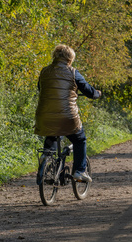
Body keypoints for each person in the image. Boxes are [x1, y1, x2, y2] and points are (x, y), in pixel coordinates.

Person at [34, 44, 101, 182]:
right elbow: (88, 91)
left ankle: (46, 158)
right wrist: (97, 93)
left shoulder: (44, 71)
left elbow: (40, 88)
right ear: (70, 58)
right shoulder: (73, 72)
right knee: (80, 139)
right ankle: (79, 171)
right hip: (67, 117)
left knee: (52, 133)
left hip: (44, 116)